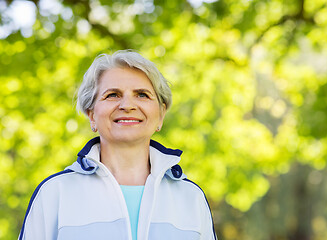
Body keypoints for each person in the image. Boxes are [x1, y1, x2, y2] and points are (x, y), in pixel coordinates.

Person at [19, 50, 217, 240]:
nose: (127, 105)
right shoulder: (55, 193)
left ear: (161, 115)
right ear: (91, 114)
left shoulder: (191, 197)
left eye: (142, 95)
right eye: (112, 95)